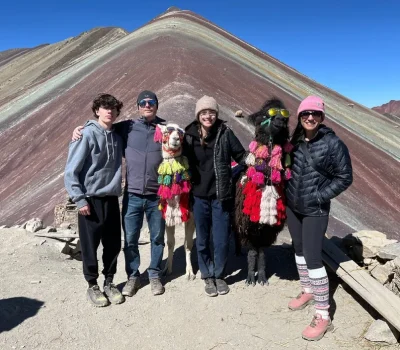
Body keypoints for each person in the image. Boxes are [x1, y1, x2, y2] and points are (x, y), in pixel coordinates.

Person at [72, 90, 166, 296]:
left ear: (157, 105)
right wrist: (81, 128)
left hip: (152, 196)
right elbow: (101, 128)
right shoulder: (127, 127)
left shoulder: (164, 129)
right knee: (127, 239)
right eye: (143, 102)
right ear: (139, 106)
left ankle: (151, 275)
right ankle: (127, 278)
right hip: (126, 195)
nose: (148, 105)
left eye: (152, 102)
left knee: (150, 239)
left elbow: (180, 151)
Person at [285, 95, 353, 341]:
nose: (310, 118)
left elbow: (345, 177)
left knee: (314, 259)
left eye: (315, 114)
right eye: (305, 114)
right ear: (300, 117)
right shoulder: (296, 140)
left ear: (321, 117)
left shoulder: (333, 143)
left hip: (315, 209)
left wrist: (319, 196)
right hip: (293, 206)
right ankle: (307, 290)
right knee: (299, 249)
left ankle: (323, 314)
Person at [65, 93, 125, 307]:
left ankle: (109, 281)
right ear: (97, 110)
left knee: (113, 243)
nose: (109, 111)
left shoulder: (118, 136)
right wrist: (79, 200)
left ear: (117, 112)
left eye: (113, 108)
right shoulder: (86, 135)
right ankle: (92, 284)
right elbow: (71, 171)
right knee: (90, 245)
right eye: (104, 107)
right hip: (90, 199)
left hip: (110, 198)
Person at [184, 96, 246, 297]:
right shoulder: (189, 135)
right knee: (202, 239)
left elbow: (241, 156)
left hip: (221, 195)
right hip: (199, 196)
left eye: (211, 112)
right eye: (204, 113)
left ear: (216, 114)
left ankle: (219, 275)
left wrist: (257, 158)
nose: (208, 116)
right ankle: (207, 275)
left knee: (220, 239)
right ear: (198, 115)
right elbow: (180, 158)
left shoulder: (225, 133)